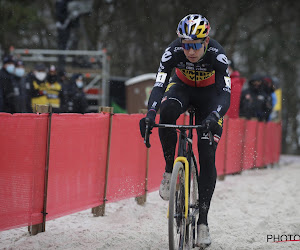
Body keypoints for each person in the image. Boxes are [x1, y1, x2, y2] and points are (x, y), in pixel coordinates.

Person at [139, 14, 231, 248]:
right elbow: (159, 84)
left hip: (209, 97)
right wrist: (150, 113)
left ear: (206, 42)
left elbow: (225, 94)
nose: (190, 51)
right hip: (181, 89)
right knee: (167, 111)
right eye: (186, 45)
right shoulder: (172, 51)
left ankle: (203, 223)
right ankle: (170, 170)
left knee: (206, 153)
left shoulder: (218, 56)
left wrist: (214, 116)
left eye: (196, 46)